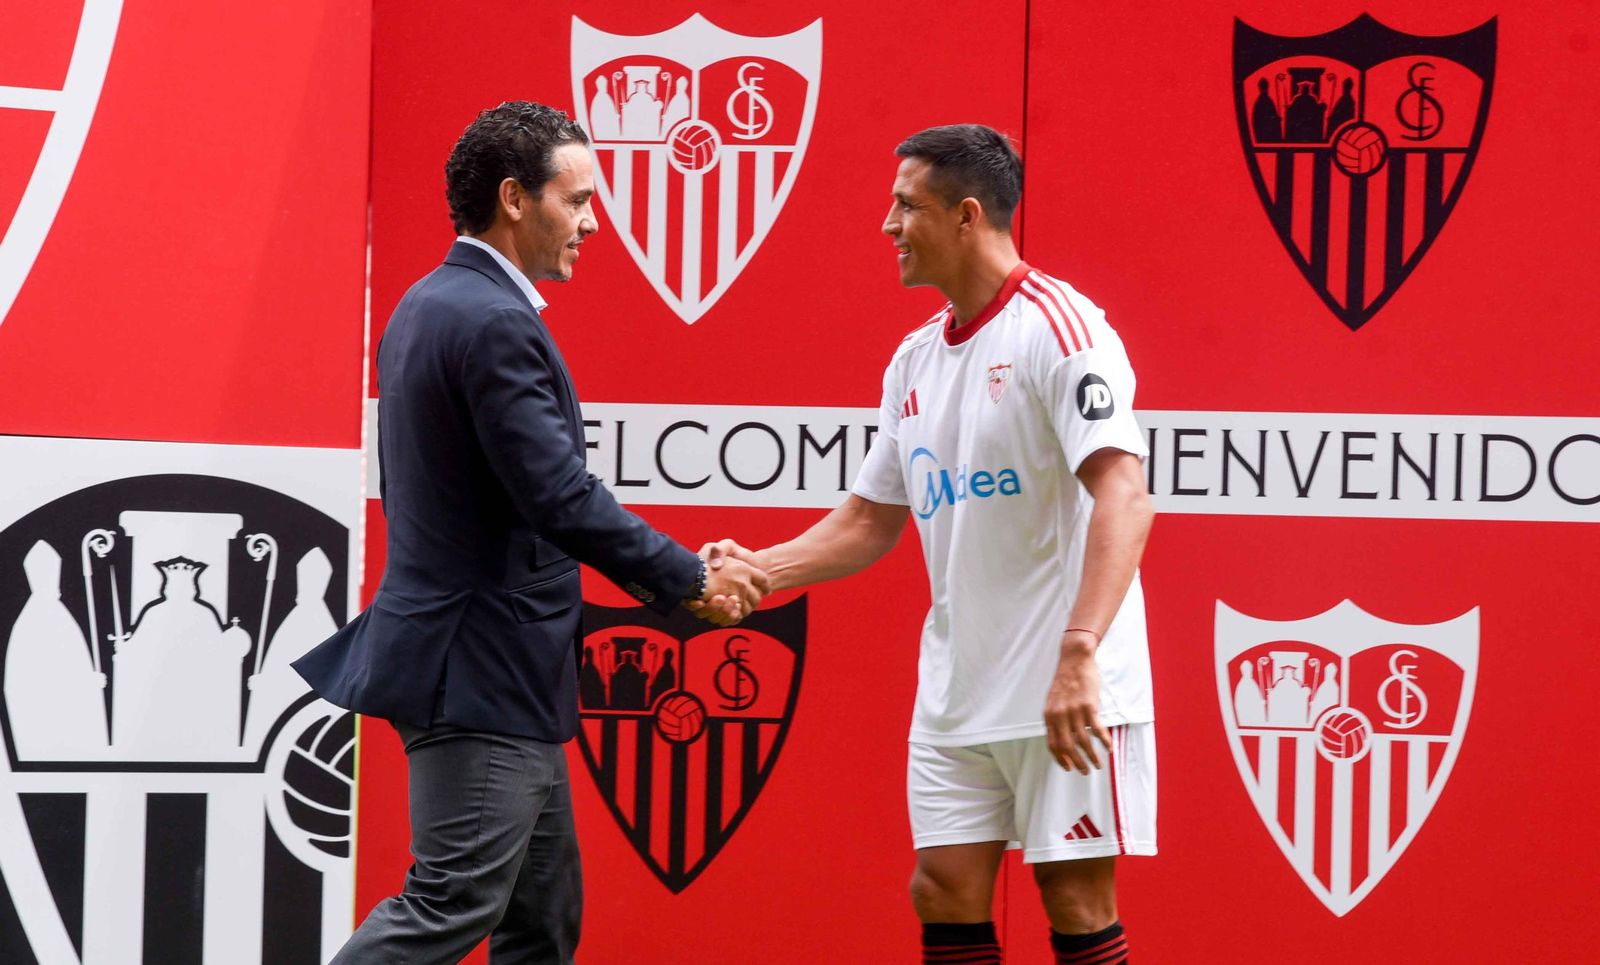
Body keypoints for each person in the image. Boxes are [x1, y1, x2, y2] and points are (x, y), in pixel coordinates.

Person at [292, 101, 768, 964]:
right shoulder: (491, 320)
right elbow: (558, 496)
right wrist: (691, 579)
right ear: (515, 198)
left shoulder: (429, 305)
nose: (592, 224)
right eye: (577, 200)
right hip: (480, 667)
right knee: (451, 904)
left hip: (498, 670)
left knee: (539, 923)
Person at [712, 124, 1155, 965]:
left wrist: (1079, 651)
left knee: (1074, 899)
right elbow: (868, 520)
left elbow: (1125, 497)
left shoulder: (1063, 330)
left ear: (967, 215)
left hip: (1067, 683)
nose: (888, 224)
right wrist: (758, 571)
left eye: (906, 205)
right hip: (959, 687)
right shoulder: (915, 359)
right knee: (942, 889)